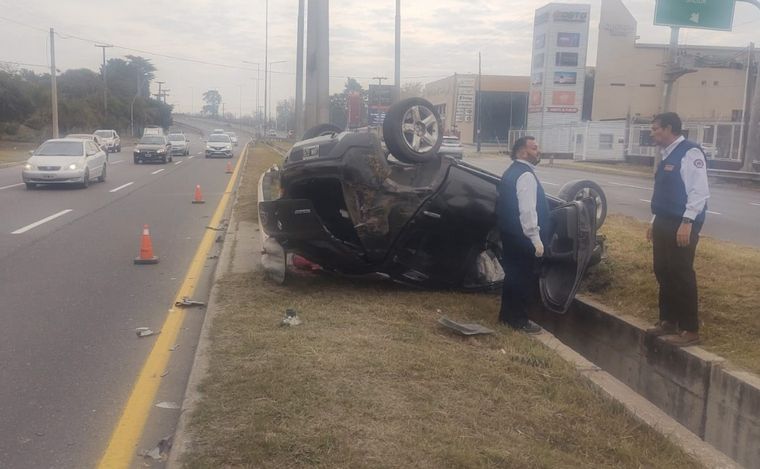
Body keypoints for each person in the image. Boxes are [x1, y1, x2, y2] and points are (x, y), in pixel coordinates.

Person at [646, 112, 710, 347]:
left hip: (682, 222)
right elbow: (665, 193)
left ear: (669, 128)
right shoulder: (667, 155)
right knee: (663, 269)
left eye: (656, 129)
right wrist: (654, 221)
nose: (652, 133)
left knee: (681, 272)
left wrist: (687, 222)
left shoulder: (690, 152)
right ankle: (668, 320)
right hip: (664, 220)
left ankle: (690, 329)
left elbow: (699, 191)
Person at [496, 136, 552, 334]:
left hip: (511, 234)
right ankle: (518, 320)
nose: (538, 151)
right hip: (523, 237)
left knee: (513, 276)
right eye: (534, 148)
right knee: (523, 278)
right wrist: (535, 239)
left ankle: (507, 316)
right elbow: (528, 210)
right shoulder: (526, 175)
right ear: (522, 152)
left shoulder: (511, 172)